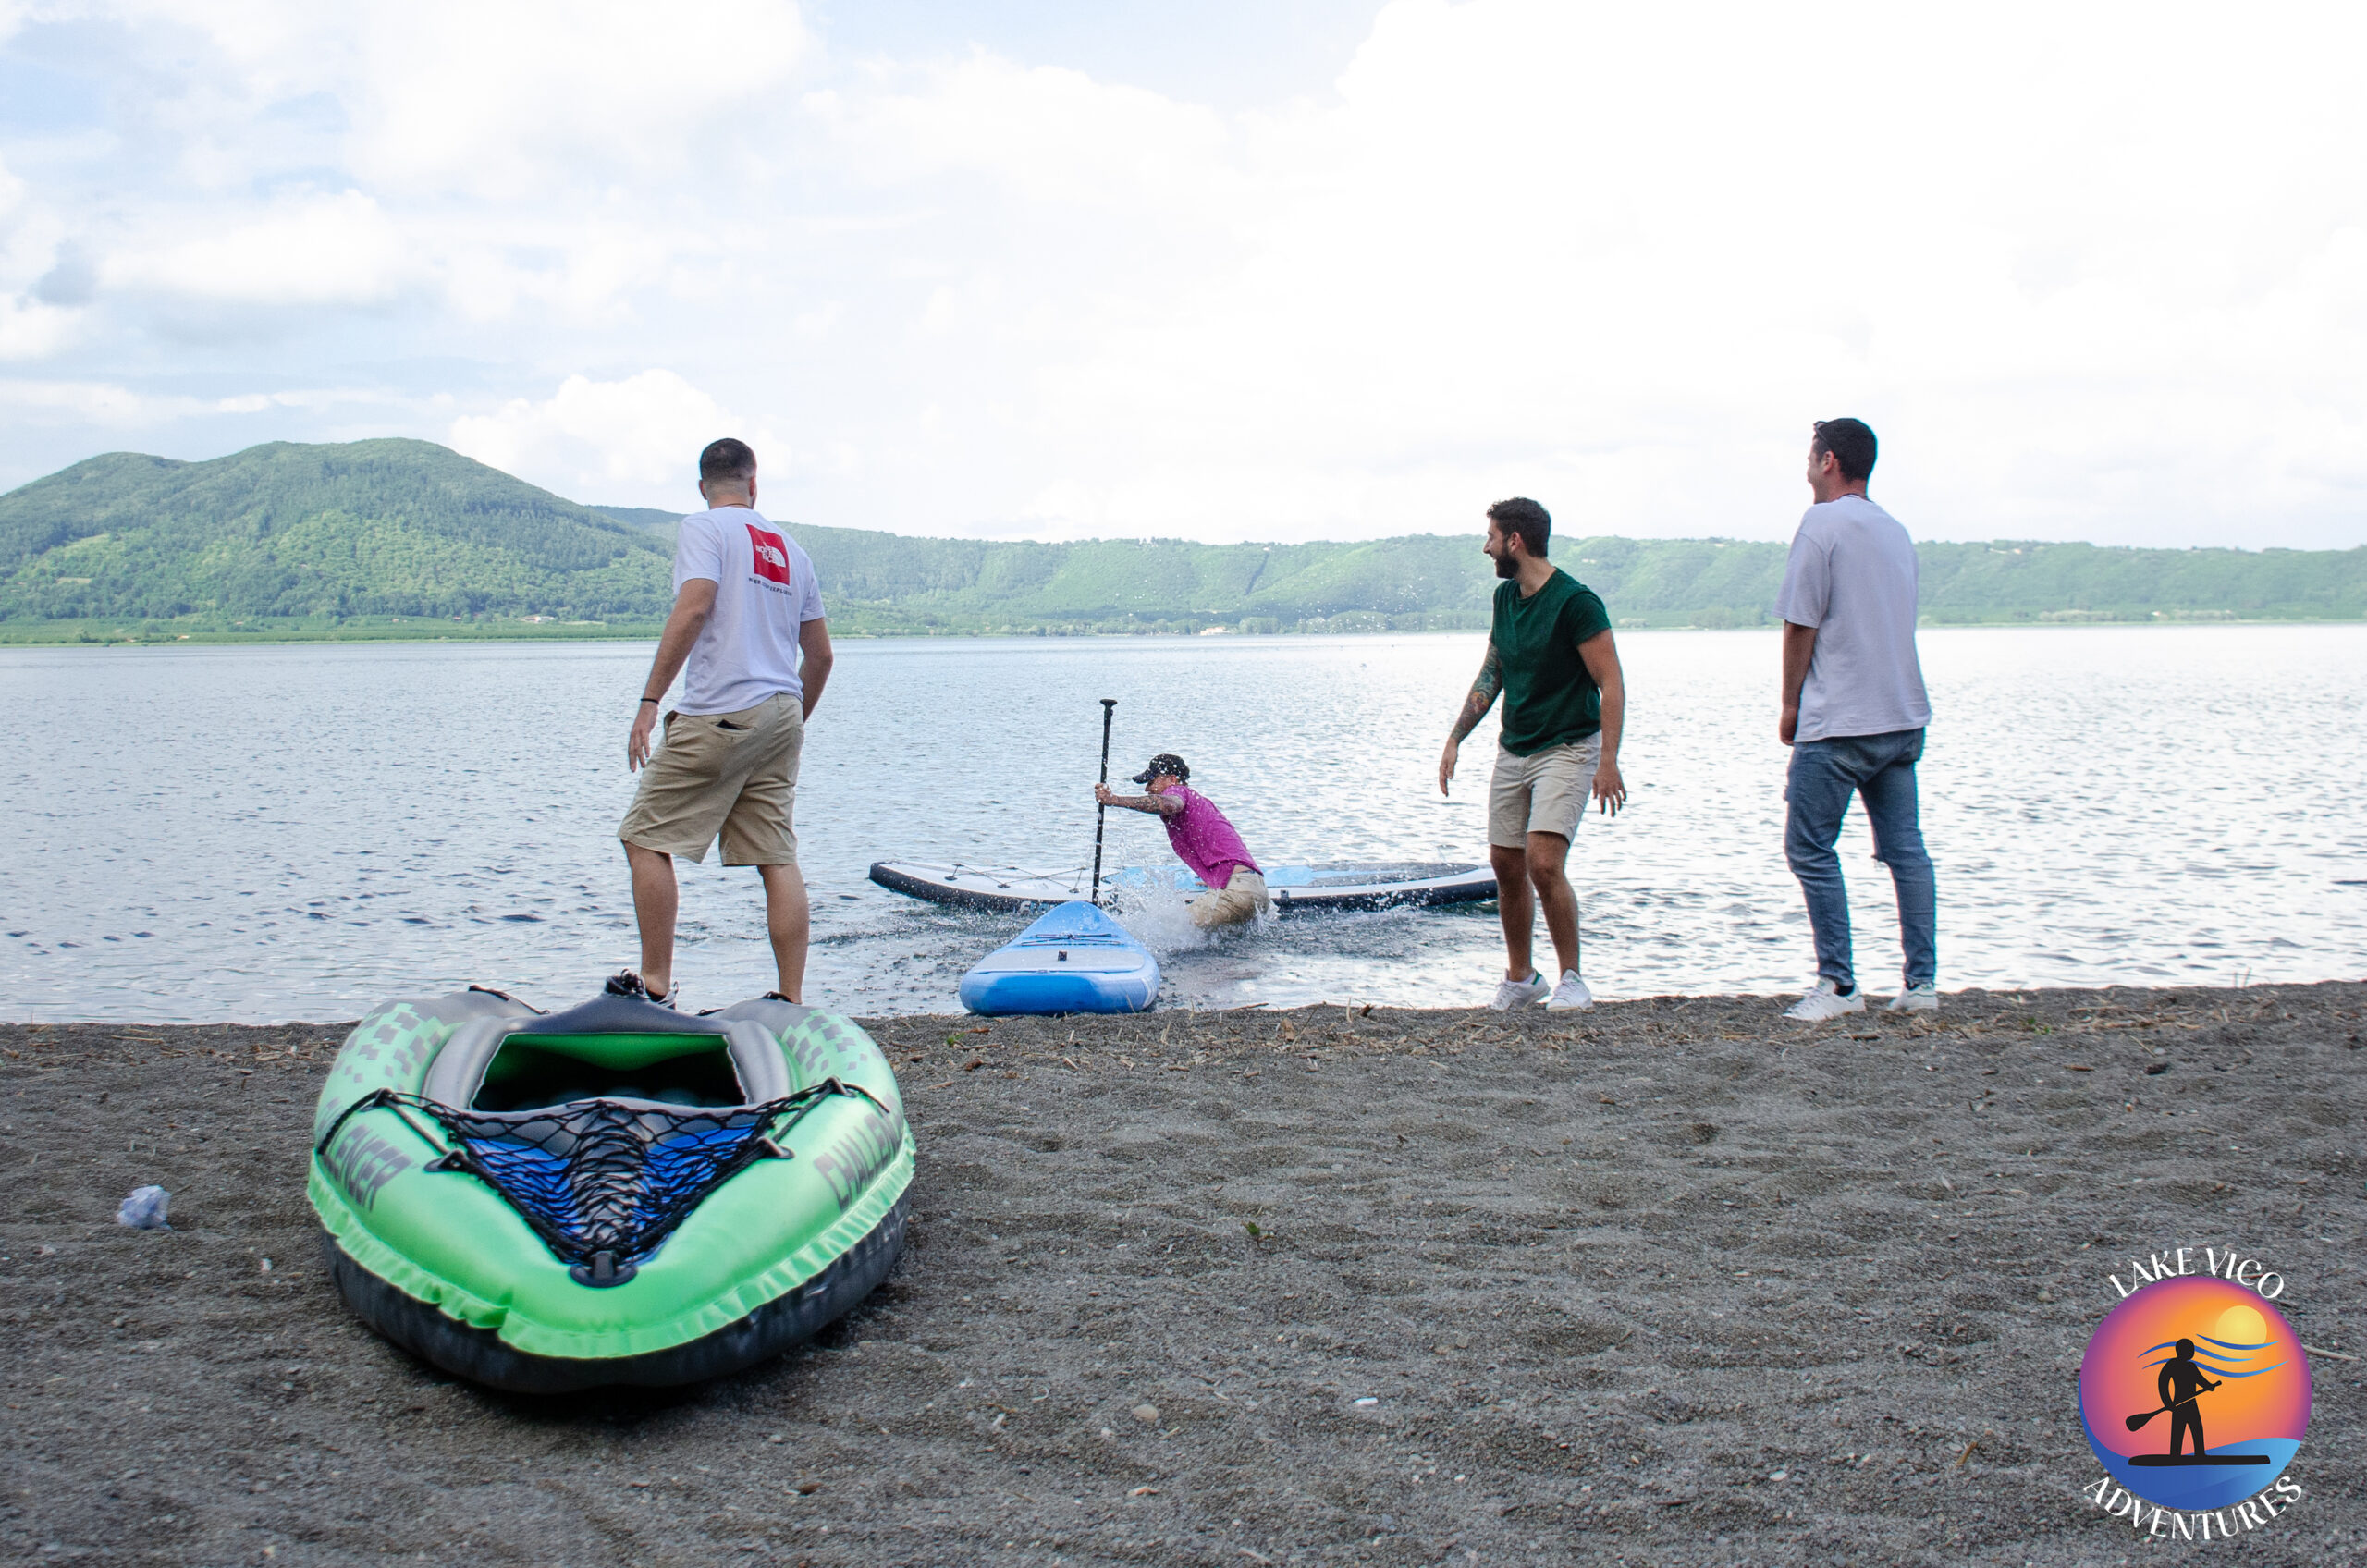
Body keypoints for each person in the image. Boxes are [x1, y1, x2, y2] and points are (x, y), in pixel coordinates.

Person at [613, 438, 833, 1007]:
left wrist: (649, 700)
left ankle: (656, 983)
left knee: (643, 836)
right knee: (776, 855)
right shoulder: (791, 550)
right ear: (754, 485)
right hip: (784, 710)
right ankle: (791, 998)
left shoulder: (703, 529)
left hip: (723, 710)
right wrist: (788, 723)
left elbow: (694, 605)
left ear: (703, 486)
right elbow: (821, 657)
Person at [1437, 497, 1626, 1011]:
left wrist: (1608, 761)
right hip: (1514, 748)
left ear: (1515, 541)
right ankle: (1522, 978)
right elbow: (1493, 670)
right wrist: (1456, 738)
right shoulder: (1506, 598)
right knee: (1505, 863)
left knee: (1544, 863)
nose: (1487, 546)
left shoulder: (1575, 602)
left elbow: (1610, 681)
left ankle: (1573, 980)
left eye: (1493, 537)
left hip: (1567, 747)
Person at [1776, 417, 1936, 1021]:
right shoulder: (1895, 530)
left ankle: (1839, 985)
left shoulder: (1821, 524)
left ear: (1829, 462)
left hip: (1839, 721)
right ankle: (1921, 985)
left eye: (1810, 456)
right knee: (1905, 851)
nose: (1807, 467)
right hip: (1900, 713)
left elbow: (1800, 622)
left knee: (1810, 848)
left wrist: (1790, 703)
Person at [1094, 753, 1270, 927]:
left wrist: (1114, 800)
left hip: (1236, 890)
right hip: (1256, 890)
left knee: (1167, 931)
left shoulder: (1177, 791)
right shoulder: (1201, 802)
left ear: (1172, 779)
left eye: (1152, 781)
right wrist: (1214, 877)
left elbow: (1169, 804)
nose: (1147, 789)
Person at [2154, 1338, 2221, 1459]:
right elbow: (2162, 1383)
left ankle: (2200, 1454)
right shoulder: (2172, 1364)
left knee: (2197, 1429)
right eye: (2191, 1350)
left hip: (2191, 1403)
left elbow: (2200, 1380)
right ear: (2182, 1351)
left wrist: (2209, 1386)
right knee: (2178, 1430)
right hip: (2178, 1404)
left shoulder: (2191, 1366)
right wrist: (2167, 1402)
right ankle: (2175, 1455)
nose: (2193, 1352)